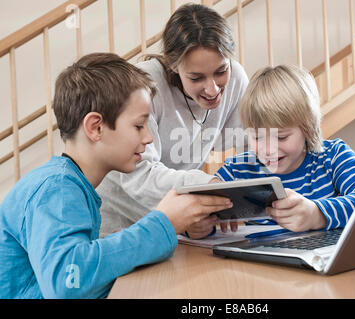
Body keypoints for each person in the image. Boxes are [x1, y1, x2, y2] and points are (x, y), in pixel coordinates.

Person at [0, 53, 232, 299]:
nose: (148, 138)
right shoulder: (55, 189)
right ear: (96, 127)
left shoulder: (73, 185)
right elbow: (68, 281)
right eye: (139, 125)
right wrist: (163, 223)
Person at [96, 3, 248, 239]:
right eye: (197, 77)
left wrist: (234, 197)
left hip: (176, 211)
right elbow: (140, 176)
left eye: (221, 71)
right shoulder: (142, 86)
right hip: (120, 213)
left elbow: (247, 148)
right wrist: (204, 187)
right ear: (173, 64)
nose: (213, 88)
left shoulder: (237, 78)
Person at [214, 65, 355, 232]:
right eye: (257, 137)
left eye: (281, 137)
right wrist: (198, 227)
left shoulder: (333, 156)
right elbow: (197, 209)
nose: (268, 150)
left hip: (323, 257)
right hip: (259, 256)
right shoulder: (238, 170)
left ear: (307, 129)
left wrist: (317, 214)